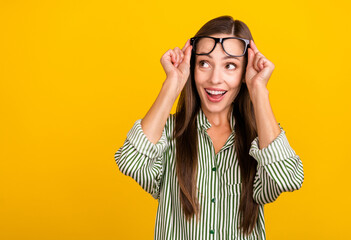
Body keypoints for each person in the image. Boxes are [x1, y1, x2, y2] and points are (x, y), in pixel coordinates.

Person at [114, 15, 304, 239]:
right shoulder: (169, 134)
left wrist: (259, 90)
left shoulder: (260, 140)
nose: (215, 79)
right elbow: (130, 161)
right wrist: (173, 83)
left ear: (244, 74)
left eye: (230, 66)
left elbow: (289, 178)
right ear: (192, 68)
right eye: (204, 63)